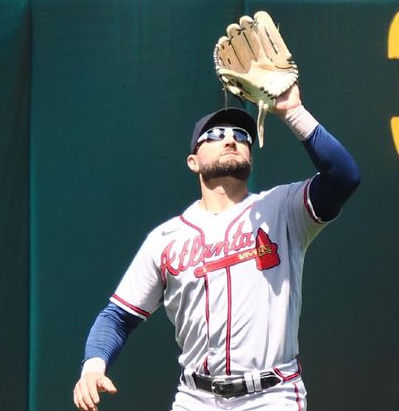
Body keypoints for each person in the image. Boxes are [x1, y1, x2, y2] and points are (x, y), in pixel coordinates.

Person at [72, 83, 360, 410]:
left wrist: (293, 111)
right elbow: (117, 316)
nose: (230, 138)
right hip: (196, 397)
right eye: (215, 134)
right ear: (193, 161)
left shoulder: (284, 208)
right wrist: (93, 366)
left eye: (242, 135)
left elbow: (344, 176)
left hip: (271, 395)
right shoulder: (166, 239)